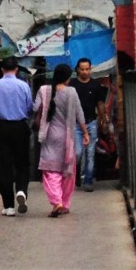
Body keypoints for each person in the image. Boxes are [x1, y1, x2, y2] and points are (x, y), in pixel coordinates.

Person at [33, 63, 89, 217]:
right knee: (67, 171)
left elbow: (34, 108)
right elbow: (80, 114)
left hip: (49, 134)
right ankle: (64, 204)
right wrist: (85, 133)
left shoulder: (44, 90)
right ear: (67, 77)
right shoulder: (71, 92)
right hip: (67, 136)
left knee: (50, 170)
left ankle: (56, 201)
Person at [0, 56, 33, 216]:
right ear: (17, 69)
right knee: (22, 163)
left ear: (2, 69)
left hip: (2, 127)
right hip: (20, 126)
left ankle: (9, 206)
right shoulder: (23, 85)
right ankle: (21, 190)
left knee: (4, 165)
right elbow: (29, 107)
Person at [69, 57, 108, 191]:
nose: (85, 72)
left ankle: (88, 180)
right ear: (77, 70)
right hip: (75, 124)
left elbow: (100, 104)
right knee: (78, 152)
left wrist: (103, 121)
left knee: (90, 153)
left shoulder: (95, 85)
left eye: (87, 69)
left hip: (91, 122)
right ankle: (76, 171)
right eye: (82, 69)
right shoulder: (72, 85)